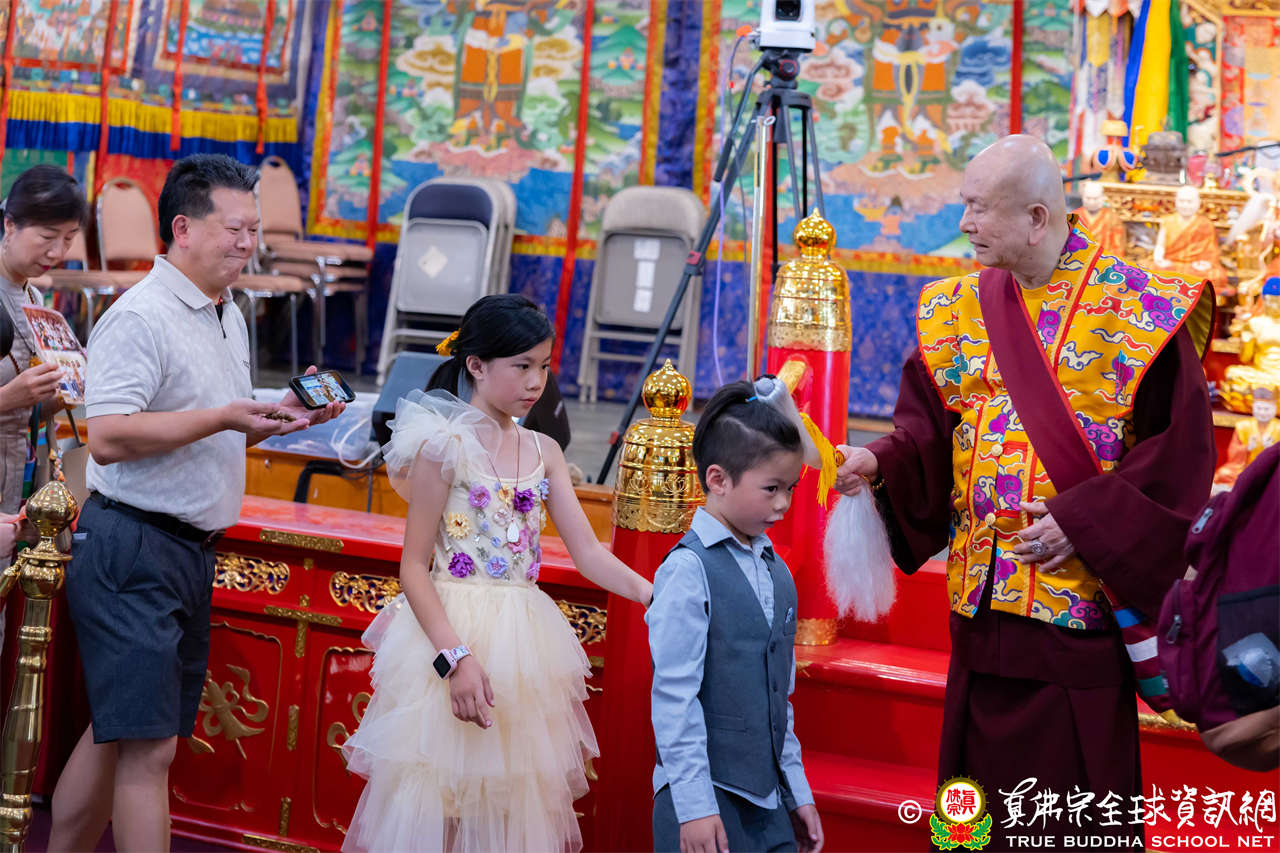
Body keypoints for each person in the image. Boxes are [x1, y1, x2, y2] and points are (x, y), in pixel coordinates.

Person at [835, 135, 1215, 849]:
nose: (965, 223)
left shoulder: (1142, 310)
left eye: (979, 208)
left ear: (1037, 217)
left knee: (1071, 817)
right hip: (981, 614)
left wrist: (1085, 521)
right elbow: (929, 431)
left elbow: (1180, 462)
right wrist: (879, 462)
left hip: (1076, 615)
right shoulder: (953, 309)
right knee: (975, 810)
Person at [48, 154, 344, 853]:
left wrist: (275, 416)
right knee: (149, 749)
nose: (248, 243)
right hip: (132, 544)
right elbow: (108, 437)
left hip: (187, 548)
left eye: (254, 229)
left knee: (122, 732)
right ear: (183, 228)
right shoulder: (140, 316)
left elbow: (213, 421)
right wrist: (224, 417)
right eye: (234, 228)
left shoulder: (226, 311)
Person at [340, 294, 652, 853]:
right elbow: (413, 569)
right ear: (476, 365)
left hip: (524, 647)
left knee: (506, 805)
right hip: (452, 635)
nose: (536, 382)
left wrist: (653, 593)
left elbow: (588, 552)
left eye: (544, 366)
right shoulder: (444, 446)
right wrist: (455, 658)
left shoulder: (545, 450)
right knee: (438, 800)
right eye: (522, 366)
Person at [648, 379, 824, 853]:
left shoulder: (777, 570)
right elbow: (675, 698)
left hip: (769, 800)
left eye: (790, 488)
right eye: (771, 489)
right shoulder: (688, 570)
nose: (783, 503)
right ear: (718, 479)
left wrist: (796, 790)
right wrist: (694, 806)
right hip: (705, 800)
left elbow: (779, 698)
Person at [0, 166, 88, 602]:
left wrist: (60, 394)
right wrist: (8, 398)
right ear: (10, 225)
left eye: (69, 238)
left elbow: (30, 410)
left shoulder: (33, 298)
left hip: (17, 479)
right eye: (48, 236)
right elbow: (12, 399)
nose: (58, 251)